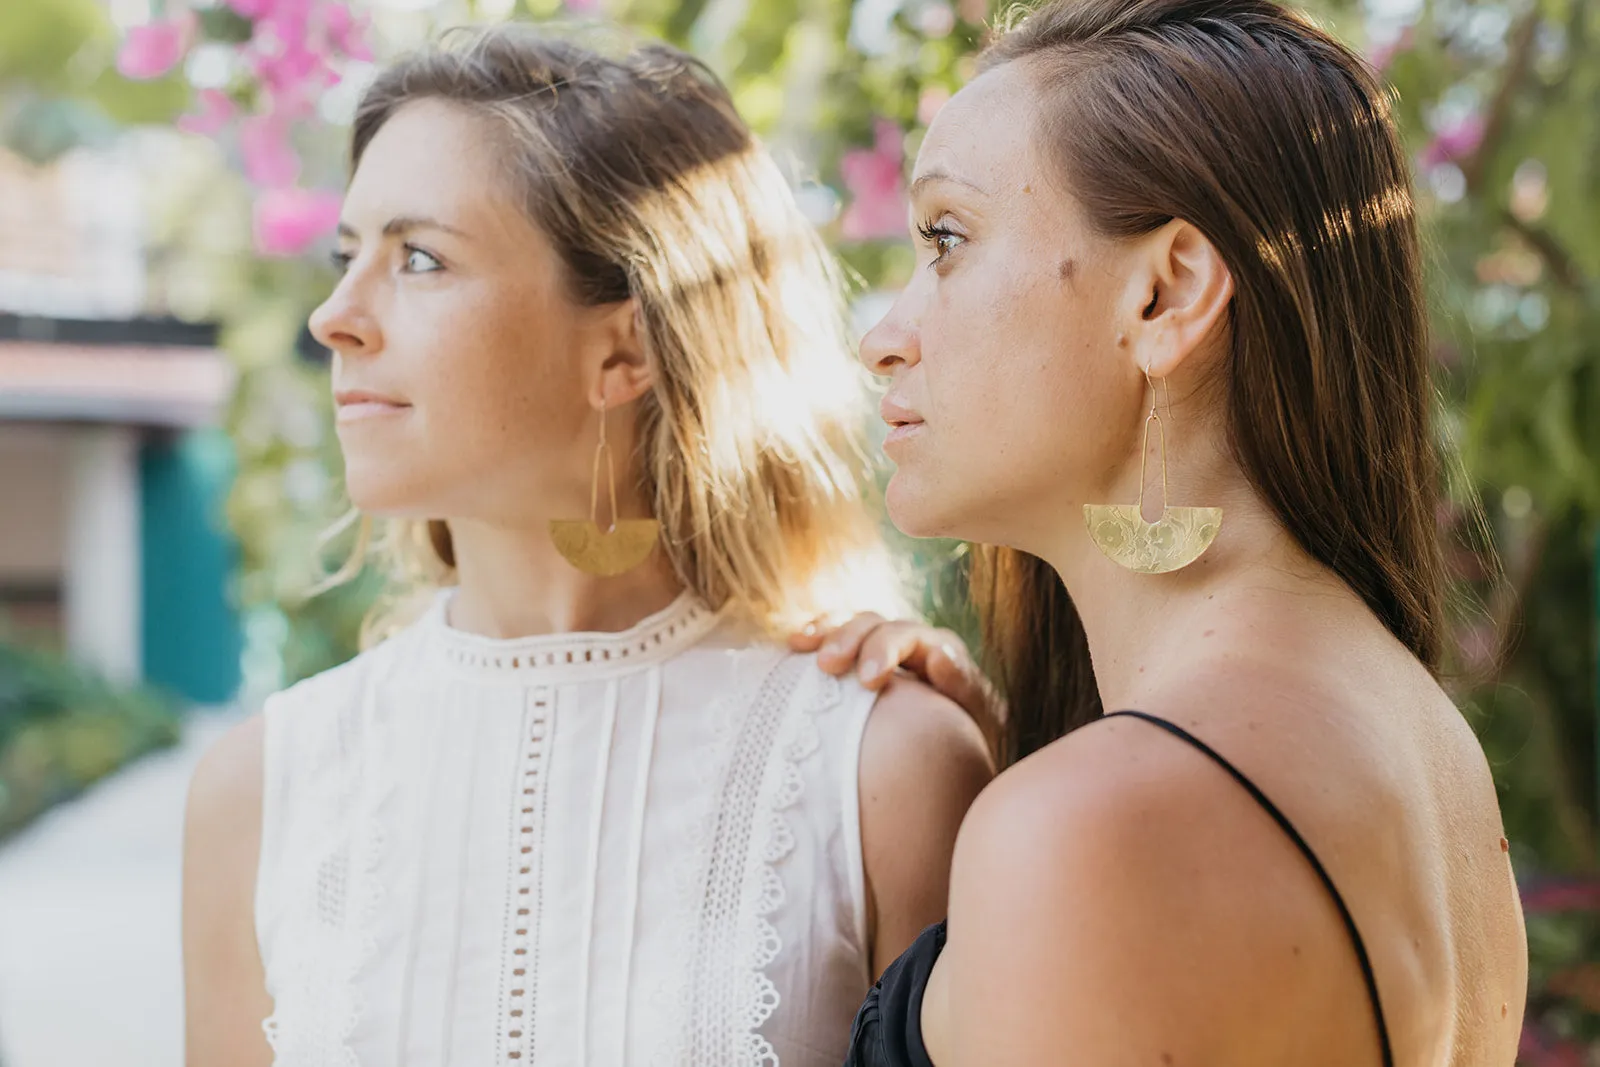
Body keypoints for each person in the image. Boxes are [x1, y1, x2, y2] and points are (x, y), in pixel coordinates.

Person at [180, 25, 992, 1067]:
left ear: (626, 347)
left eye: (418, 258)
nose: (336, 316)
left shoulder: (881, 763)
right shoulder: (261, 789)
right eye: (347, 258)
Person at [799, 1, 1530, 1063]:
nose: (884, 338)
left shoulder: (1099, 826)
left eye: (946, 239)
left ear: (1166, 293)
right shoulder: (1417, 744)